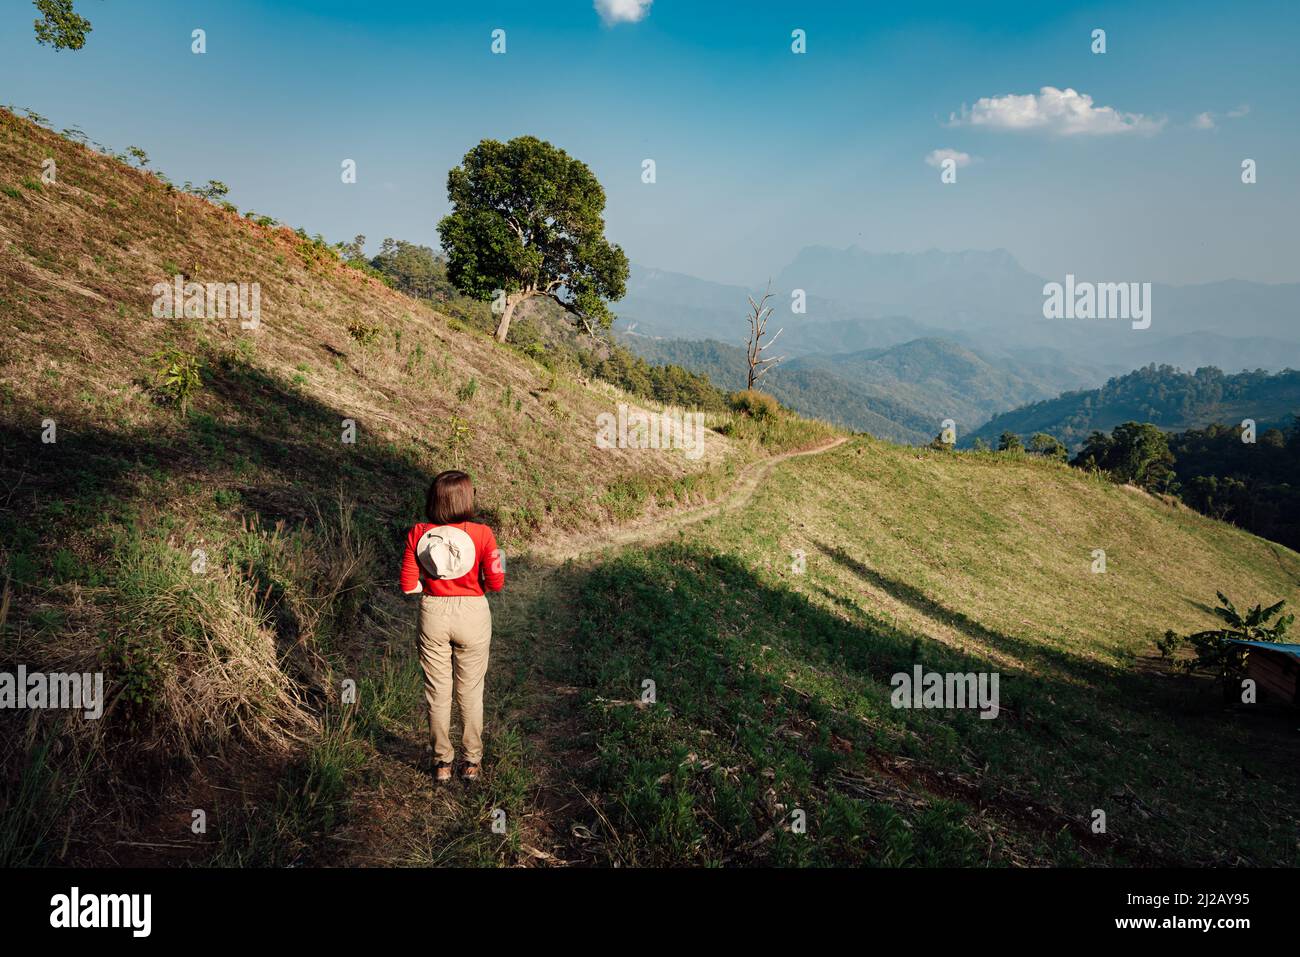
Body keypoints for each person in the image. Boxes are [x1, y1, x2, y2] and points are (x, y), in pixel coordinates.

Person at [400, 470, 505, 783]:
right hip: (473, 612)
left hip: (434, 613)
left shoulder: (418, 532)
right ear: (467, 498)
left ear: (435, 499)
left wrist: (432, 590)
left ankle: (442, 763)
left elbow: (407, 585)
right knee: (471, 692)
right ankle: (471, 761)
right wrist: (475, 588)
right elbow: (497, 582)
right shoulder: (484, 534)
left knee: (438, 693)